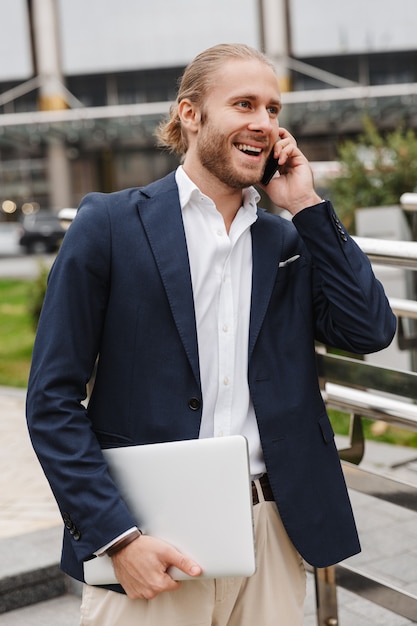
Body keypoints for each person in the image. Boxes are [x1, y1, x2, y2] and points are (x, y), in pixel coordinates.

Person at [26, 43, 396, 626]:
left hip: (271, 531)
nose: (264, 123)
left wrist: (305, 205)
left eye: (273, 109)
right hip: (149, 531)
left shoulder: (290, 242)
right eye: (244, 103)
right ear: (190, 114)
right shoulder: (110, 226)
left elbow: (371, 330)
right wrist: (117, 539)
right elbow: (50, 400)